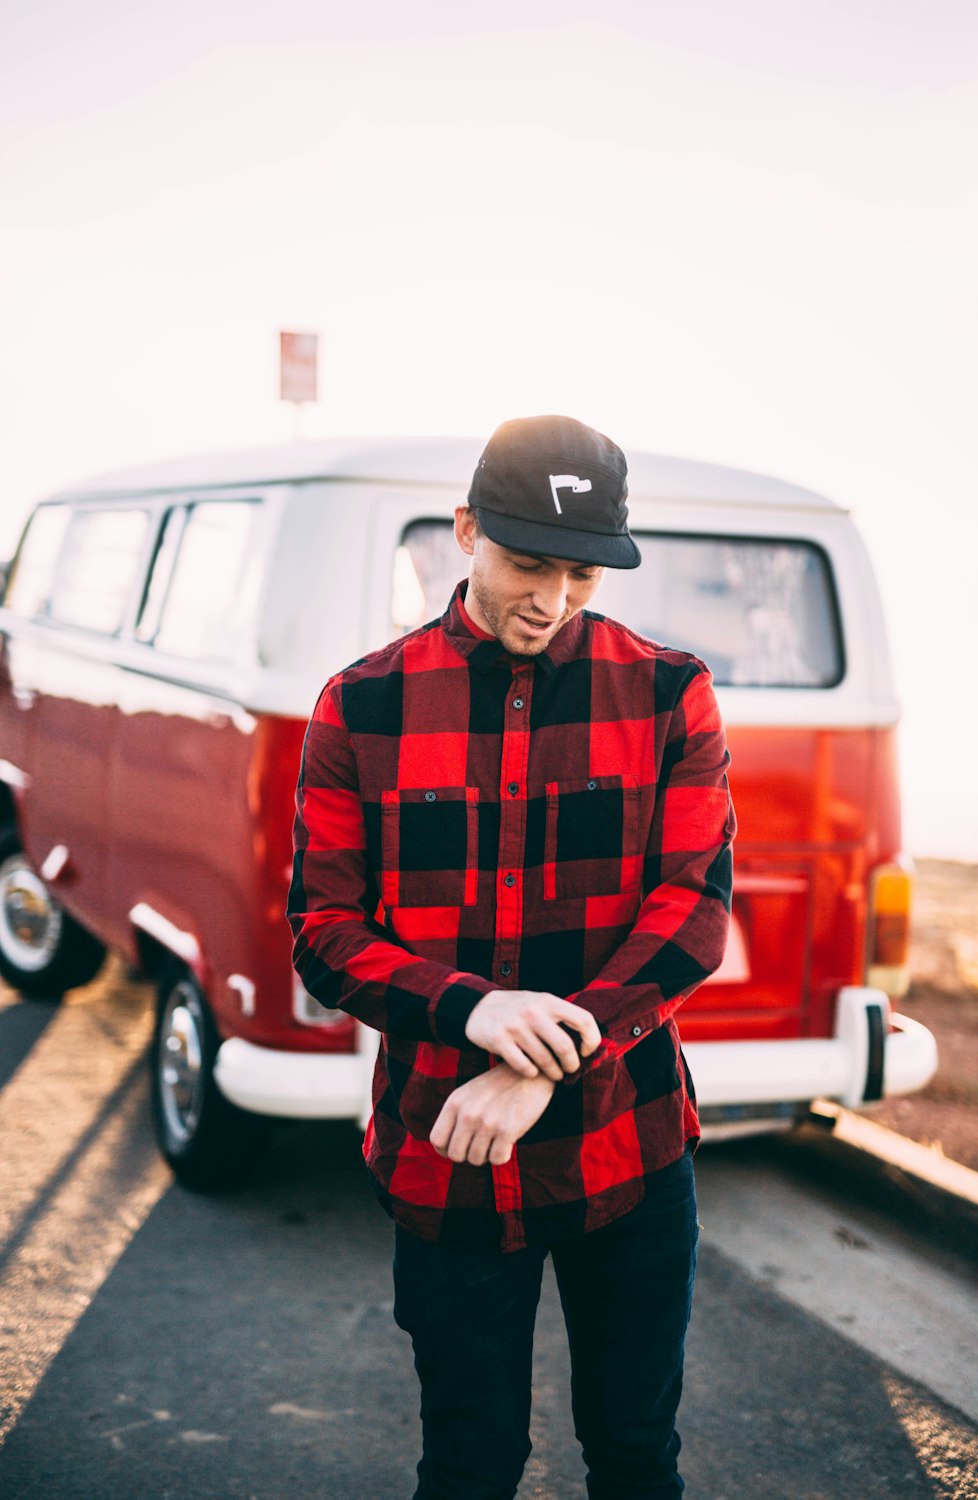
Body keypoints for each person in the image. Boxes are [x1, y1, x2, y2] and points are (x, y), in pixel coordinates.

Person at [287, 414, 736, 1499]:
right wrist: (471, 1011)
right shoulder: (361, 704)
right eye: (528, 564)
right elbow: (324, 930)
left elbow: (692, 917)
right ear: (463, 531)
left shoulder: (669, 691)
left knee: (635, 1455)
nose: (552, 599)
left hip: (627, 1154)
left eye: (580, 574)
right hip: (445, 1156)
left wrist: (537, 1060)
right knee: (469, 1460)